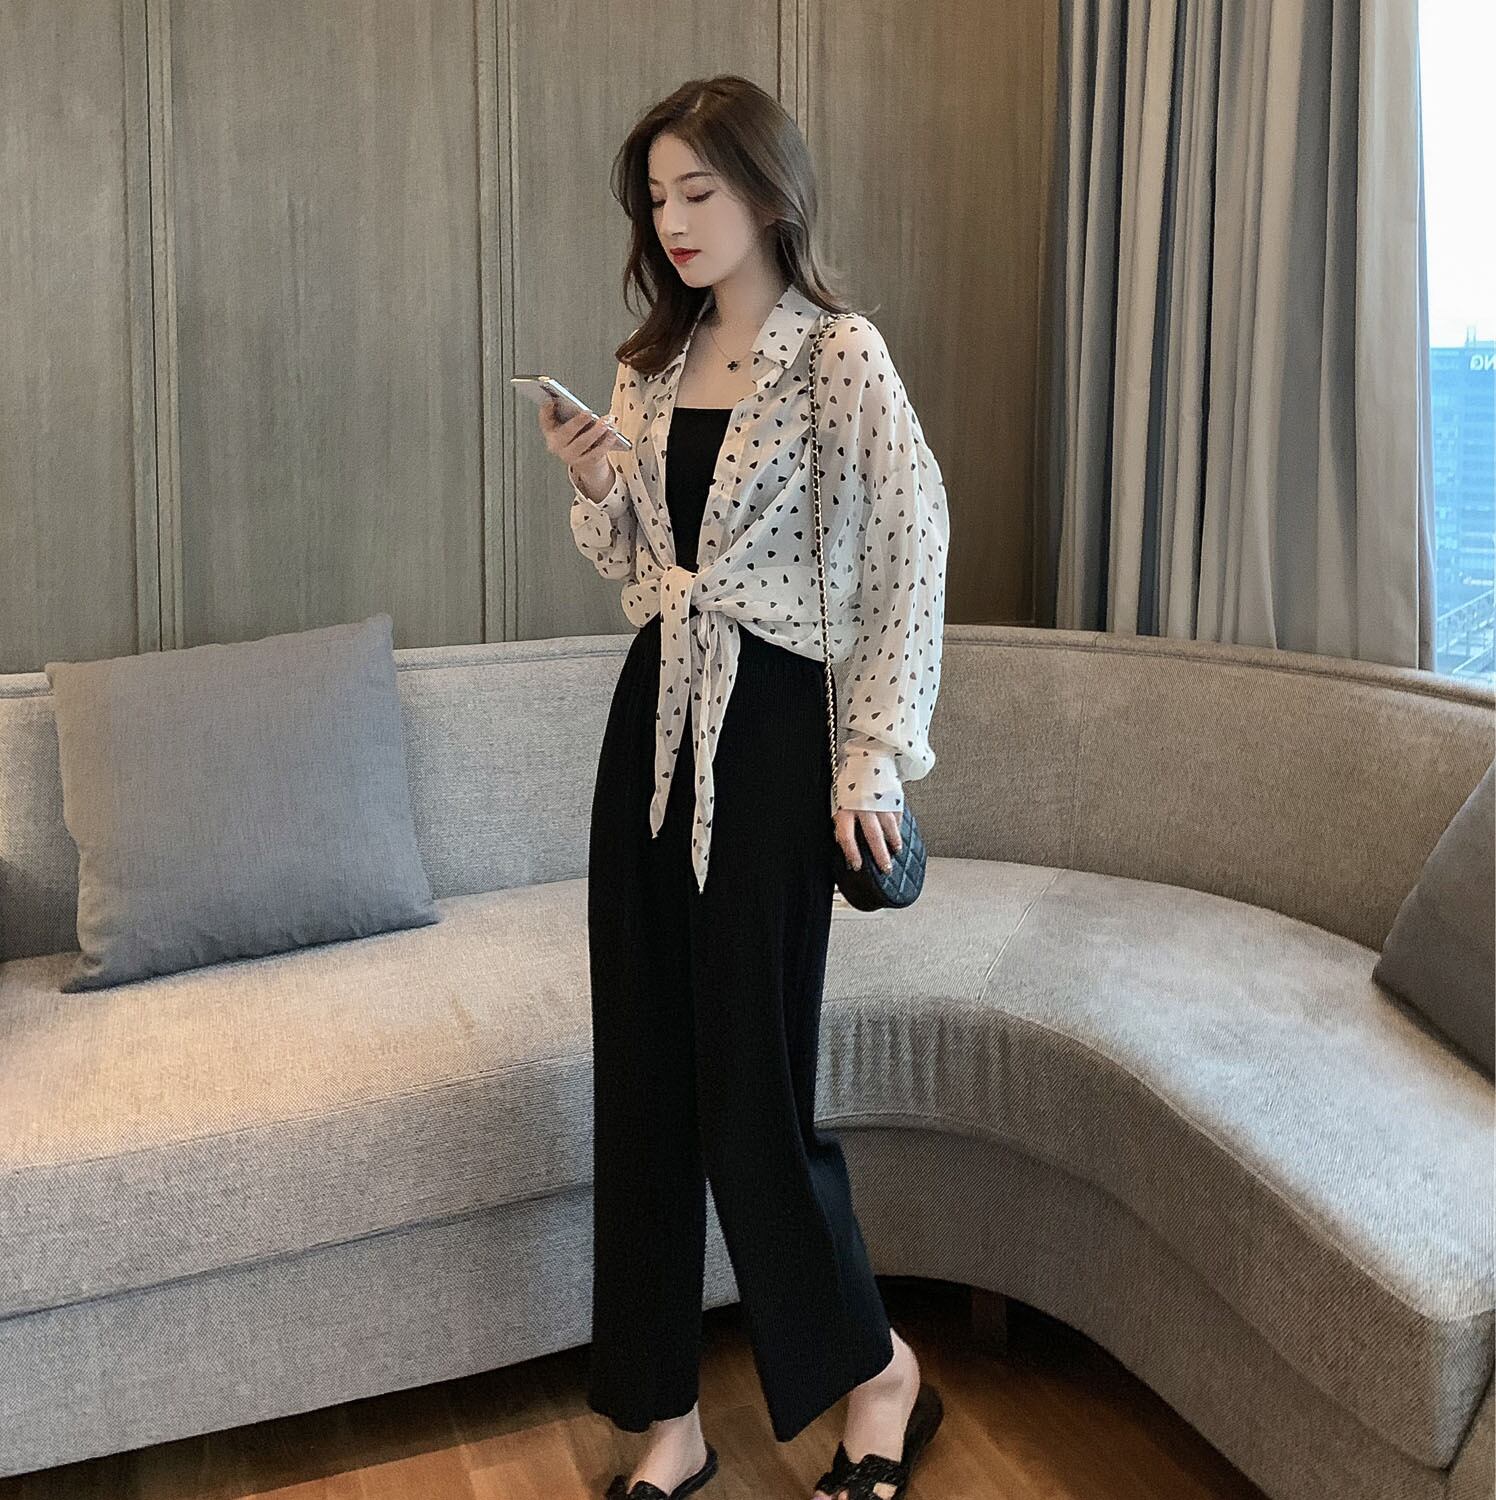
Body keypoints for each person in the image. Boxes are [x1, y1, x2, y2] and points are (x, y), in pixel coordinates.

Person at [538, 74, 949, 1500]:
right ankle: (667, 1423)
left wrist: (869, 756)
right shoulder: (648, 365)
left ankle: (878, 1378)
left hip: (775, 737)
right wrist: (599, 483)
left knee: (752, 1090)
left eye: (698, 191)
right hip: (653, 724)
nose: (674, 220)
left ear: (770, 193)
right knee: (645, 1081)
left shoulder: (839, 356)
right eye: (657, 198)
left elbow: (908, 550)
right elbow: (642, 570)